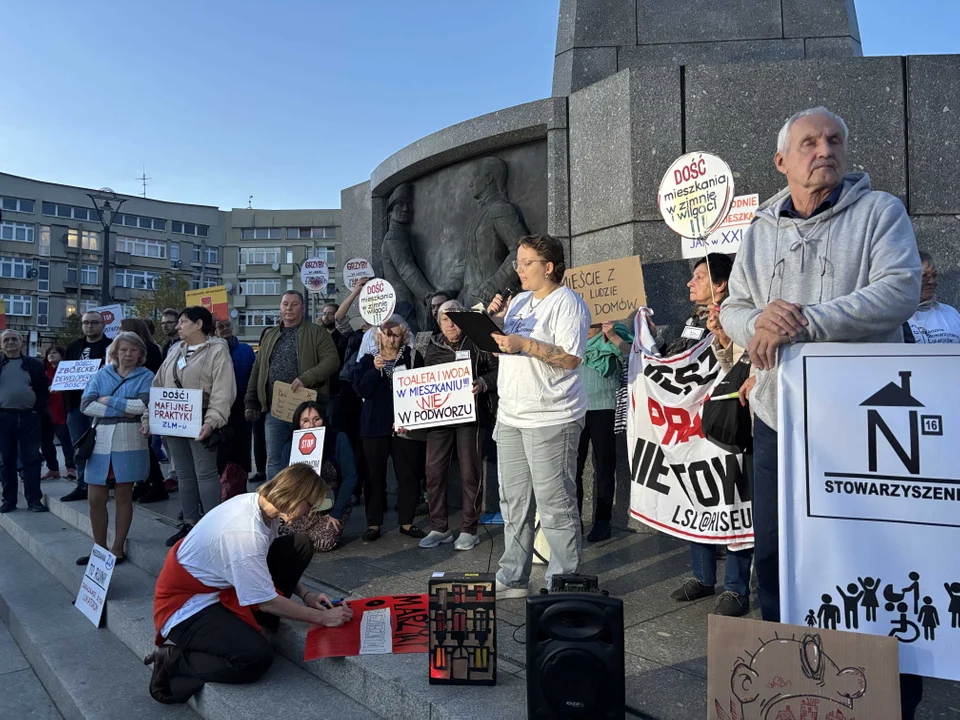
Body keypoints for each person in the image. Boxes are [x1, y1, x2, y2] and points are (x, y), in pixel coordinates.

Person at [719, 106, 922, 717]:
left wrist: (804, 319)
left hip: (862, 427)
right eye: (808, 142)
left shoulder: (881, 212)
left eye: (834, 139)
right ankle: (784, 684)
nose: (823, 149)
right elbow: (733, 306)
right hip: (779, 420)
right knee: (778, 560)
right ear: (782, 161)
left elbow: (899, 290)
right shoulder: (758, 230)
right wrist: (758, 321)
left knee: (868, 563)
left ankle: (887, 697)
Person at [147, 464, 353, 705]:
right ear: (294, 496)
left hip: (218, 588)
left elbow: (262, 561)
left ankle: (258, 626)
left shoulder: (262, 507)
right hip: (184, 608)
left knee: (299, 543)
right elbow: (265, 601)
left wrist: (306, 594)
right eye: (309, 505)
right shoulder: (245, 532)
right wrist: (322, 618)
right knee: (256, 657)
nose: (309, 514)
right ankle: (174, 660)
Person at [487, 233, 591, 597]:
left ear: (549, 267)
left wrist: (525, 345)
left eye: (526, 262)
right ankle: (513, 575)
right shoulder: (517, 303)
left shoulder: (568, 304)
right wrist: (493, 327)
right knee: (513, 503)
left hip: (552, 417)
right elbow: (508, 350)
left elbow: (570, 358)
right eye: (517, 262)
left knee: (555, 504)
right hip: (512, 415)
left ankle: (562, 581)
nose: (519, 269)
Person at [418, 300, 499, 551]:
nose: (450, 324)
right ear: (439, 322)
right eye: (445, 319)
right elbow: (417, 383)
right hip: (439, 418)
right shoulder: (430, 347)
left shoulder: (477, 342)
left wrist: (483, 382)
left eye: (455, 319)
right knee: (434, 472)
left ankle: (468, 529)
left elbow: (500, 370)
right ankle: (439, 528)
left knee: (469, 472)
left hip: (471, 416)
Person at [154, 306, 237, 547]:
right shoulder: (174, 352)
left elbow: (223, 391)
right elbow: (158, 384)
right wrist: (151, 417)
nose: (178, 326)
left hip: (201, 418)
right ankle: (190, 523)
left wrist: (212, 421)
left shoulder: (217, 352)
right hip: (174, 421)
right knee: (183, 474)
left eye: (182, 322)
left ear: (199, 324)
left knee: (205, 473)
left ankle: (212, 528)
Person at [76, 331, 155, 565]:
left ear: (140, 353)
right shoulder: (102, 374)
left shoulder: (146, 376)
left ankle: (118, 547)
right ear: (115, 352)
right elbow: (86, 405)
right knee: (95, 498)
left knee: (123, 495)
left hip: (129, 441)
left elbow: (141, 406)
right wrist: (124, 408)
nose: (128, 354)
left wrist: (108, 400)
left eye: (133, 350)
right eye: (123, 349)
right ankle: (98, 548)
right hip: (101, 441)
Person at [244, 291, 340, 482]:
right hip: (276, 409)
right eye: (285, 304)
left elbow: (332, 360)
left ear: (303, 309)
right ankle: (278, 505)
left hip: (308, 409)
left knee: (308, 458)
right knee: (275, 459)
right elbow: (258, 368)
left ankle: (308, 505)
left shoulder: (316, 332)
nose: (289, 308)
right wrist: (251, 400)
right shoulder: (270, 335)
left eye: (294, 304)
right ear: (280, 308)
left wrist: (307, 378)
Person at [353, 315, 426, 542]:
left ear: (403, 335)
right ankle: (374, 524)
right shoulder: (367, 360)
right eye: (387, 333)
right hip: (374, 427)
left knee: (408, 475)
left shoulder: (413, 358)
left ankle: (407, 521)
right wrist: (375, 370)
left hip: (404, 426)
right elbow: (361, 390)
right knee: (374, 476)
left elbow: (421, 388)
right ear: (378, 335)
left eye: (395, 334)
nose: (391, 338)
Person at [576, 318, 632, 543]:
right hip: (575, 409)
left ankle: (603, 520)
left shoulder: (616, 332)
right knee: (573, 467)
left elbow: (632, 354)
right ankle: (574, 519)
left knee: (604, 466)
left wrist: (614, 337)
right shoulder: (572, 335)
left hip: (604, 408)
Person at [280, 401, 358, 551]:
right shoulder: (290, 446)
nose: (312, 425)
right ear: (298, 424)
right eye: (305, 421)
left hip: (332, 503)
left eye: (317, 419)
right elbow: (283, 482)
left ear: (324, 420)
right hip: (301, 504)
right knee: (283, 536)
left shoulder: (338, 439)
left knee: (324, 543)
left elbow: (350, 477)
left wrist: (336, 512)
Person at [61, 311, 112, 502]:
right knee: (79, 446)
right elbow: (64, 373)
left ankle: (101, 483)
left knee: (99, 446)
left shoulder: (110, 347)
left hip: (99, 404)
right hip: (75, 405)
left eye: (94, 323)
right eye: (86, 323)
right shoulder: (74, 346)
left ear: (102, 325)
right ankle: (82, 484)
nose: (89, 326)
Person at [120, 318, 169, 504]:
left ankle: (157, 485)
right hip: (132, 402)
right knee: (138, 449)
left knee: (146, 448)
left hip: (144, 401)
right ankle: (142, 483)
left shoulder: (150, 349)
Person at [0, 330, 50, 513]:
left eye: (14, 339)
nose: (10, 342)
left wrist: (37, 410)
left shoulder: (33, 364)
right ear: (1, 344)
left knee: (31, 459)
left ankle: (34, 500)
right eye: (6, 339)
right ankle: (9, 500)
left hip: (30, 417)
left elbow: (43, 389)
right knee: (6, 460)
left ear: (21, 343)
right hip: (3, 418)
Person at [215, 318, 255, 475]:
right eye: (220, 326)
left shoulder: (245, 350)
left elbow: (253, 376)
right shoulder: (212, 350)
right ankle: (224, 486)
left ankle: (241, 485)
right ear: (215, 330)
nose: (225, 329)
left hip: (241, 405)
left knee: (242, 447)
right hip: (219, 407)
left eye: (227, 325)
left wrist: (252, 403)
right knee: (222, 451)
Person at [905, 251, 960, 344]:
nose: (932, 281)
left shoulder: (951, 313)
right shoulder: (895, 316)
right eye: (924, 276)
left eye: (934, 275)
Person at [40, 345, 77, 481]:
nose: (51, 355)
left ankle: (70, 468)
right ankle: (53, 469)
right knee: (45, 442)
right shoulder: (42, 370)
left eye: (55, 353)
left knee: (65, 440)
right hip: (45, 411)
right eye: (49, 353)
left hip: (62, 411)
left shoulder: (67, 371)